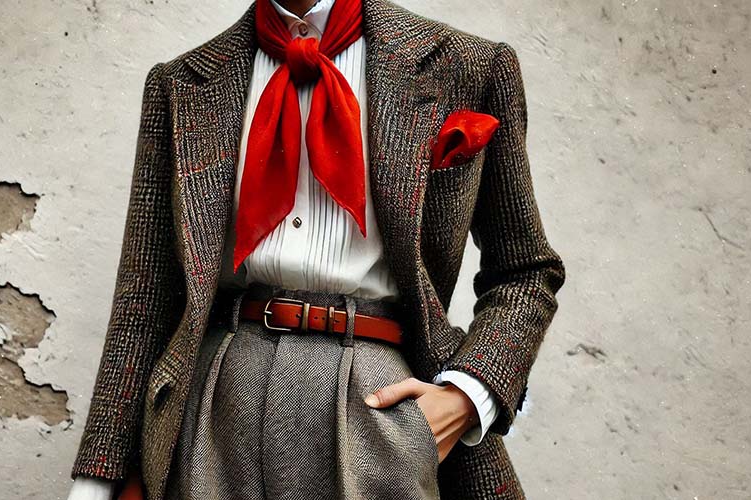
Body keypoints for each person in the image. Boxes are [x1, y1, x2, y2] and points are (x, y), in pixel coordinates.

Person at [67, 0, 566, 499]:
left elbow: (526, 270)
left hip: (376, 400)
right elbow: (144, 297)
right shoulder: (181, 84)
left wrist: (465, 397)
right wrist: (95, 484)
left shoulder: (467, 66)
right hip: (215, 404)